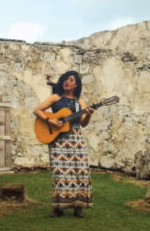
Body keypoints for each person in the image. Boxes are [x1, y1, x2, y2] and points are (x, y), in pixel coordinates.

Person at [34, 70, 94, 218]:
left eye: (71, 80)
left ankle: (78, 207)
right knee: (60, 173)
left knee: (80, 172)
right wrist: (50, 120)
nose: (67, 82)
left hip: (76, 139)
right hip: (59, 140)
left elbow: (83, 123)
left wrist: (89, 115)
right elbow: (37, 110)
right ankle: (59, 207)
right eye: (65, 79)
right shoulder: (56, 97)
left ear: (76, 85)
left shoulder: (79, 102)